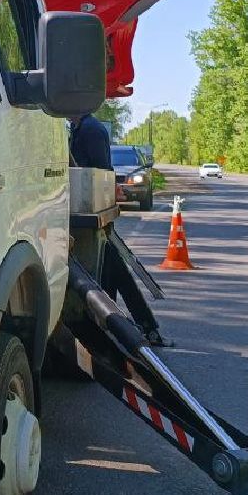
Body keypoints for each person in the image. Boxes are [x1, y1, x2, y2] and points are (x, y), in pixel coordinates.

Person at [69, 111, 168, 347]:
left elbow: (100, 170)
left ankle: (130, 329)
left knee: (111, 268)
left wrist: (108, 192)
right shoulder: (80, 128)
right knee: (111, 267)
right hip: (91, 207)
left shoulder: (91, 129)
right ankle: (139, 327)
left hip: (91, 204)